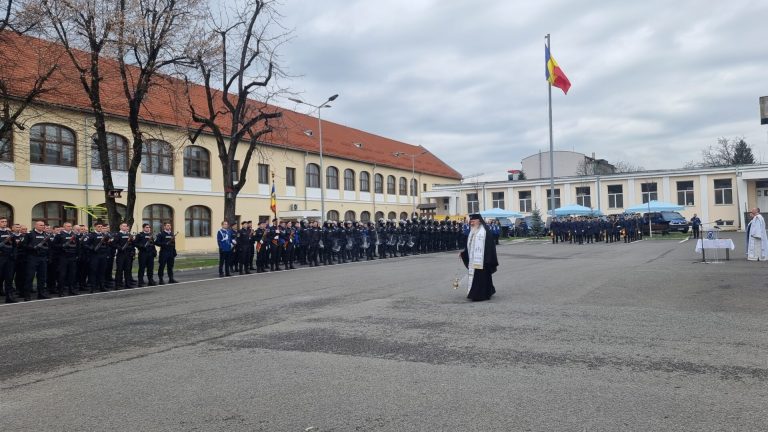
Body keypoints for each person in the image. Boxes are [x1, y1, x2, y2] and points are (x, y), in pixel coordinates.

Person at [459, 213, 498, 301]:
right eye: (471, 221)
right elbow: (470, 245)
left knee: (481, 278)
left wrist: (487, 259)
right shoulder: (473, 231)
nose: (471, 223)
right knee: (477, 278)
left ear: (479, 221)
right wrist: (464, 253)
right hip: (473, 260)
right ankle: (484, 292)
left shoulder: (485, 231)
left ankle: (479, 295)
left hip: (483, 260)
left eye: (473, 221)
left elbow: (490, 246)